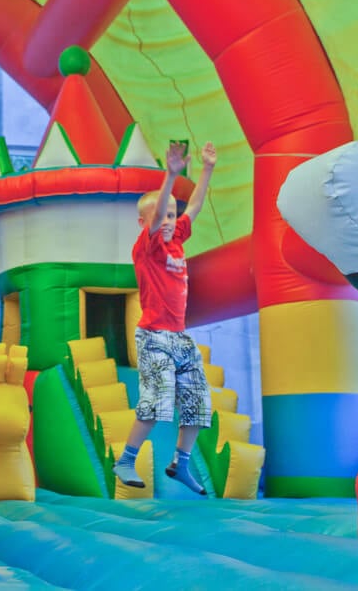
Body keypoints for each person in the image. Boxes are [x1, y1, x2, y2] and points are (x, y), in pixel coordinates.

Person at [112, 140, 217, 495]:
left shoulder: (177, 240)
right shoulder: (148, 246)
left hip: (179, 335)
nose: (169, 220)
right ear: (144, 223)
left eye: (173, 215)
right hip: (154, 335)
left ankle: (181, 464)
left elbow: (196, 206)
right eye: (163, 216)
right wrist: (170, 176)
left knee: (199, 403)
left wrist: (207, 169)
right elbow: (157, 217)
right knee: (158, 403)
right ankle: (126, 459)